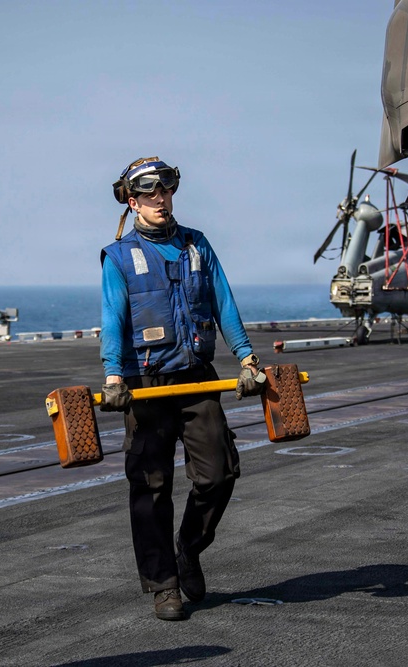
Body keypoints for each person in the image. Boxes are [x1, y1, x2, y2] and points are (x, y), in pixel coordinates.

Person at [99, 156, 265, 621]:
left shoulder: (197, 245)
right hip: (145, 384)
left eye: (165, 190)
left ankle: (188, 549)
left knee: (219, 473)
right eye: (148, 193)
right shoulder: (117, 257)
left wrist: (248, 359)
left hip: (196, 377)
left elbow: (223, 302)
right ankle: (163, 584)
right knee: (150, 486)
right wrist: (113, 376)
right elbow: (113, 317)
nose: (159, 198)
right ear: (132, 202)